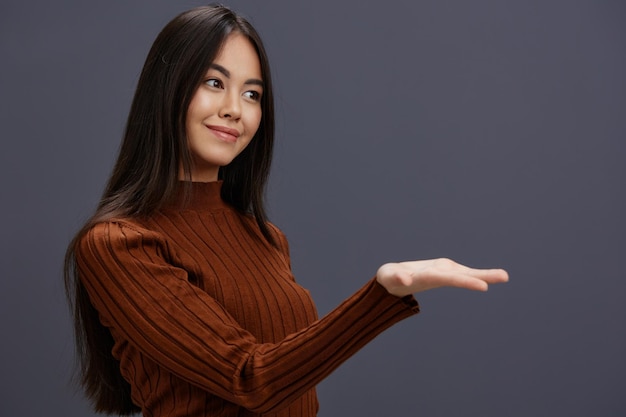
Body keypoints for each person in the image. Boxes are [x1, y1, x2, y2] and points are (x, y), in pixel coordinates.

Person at [64, 5, 509, 417]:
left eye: (252, 94)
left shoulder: (264, 236)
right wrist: (381, 296)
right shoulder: (118, 245)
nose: (234, 110)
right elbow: (249, 379)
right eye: (213, 83)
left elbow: (293, 388)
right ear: (167, 89)